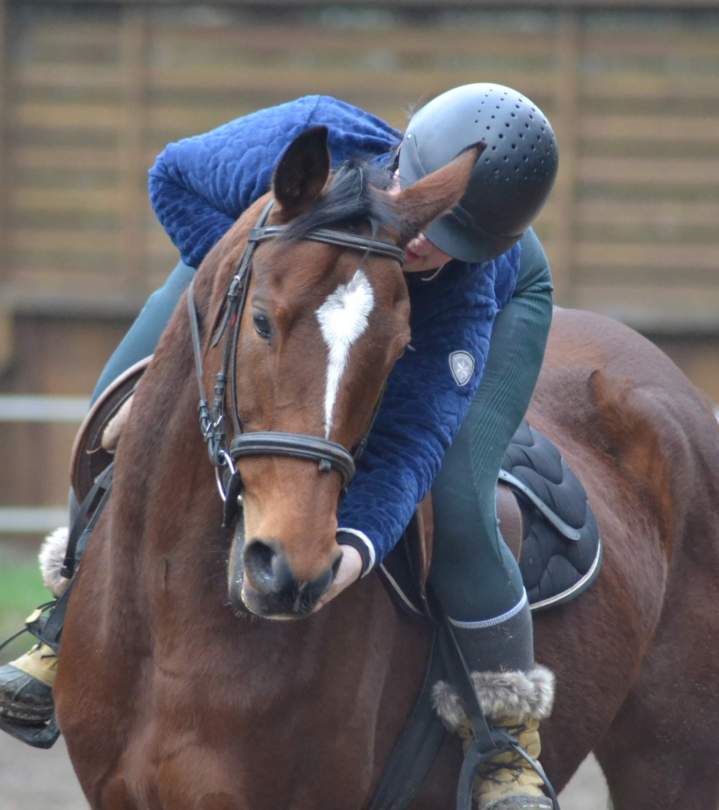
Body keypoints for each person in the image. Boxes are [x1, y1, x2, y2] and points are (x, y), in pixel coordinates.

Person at [0, 84, 558, 810]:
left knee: (455, 500)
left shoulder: (464, 281)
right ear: (399, 167)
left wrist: (354, 549)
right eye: (429, 231)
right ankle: (62, 619)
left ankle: (507, 742)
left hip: (483, 307)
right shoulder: (301, 133)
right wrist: (260, 289)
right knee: (117, 415)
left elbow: (413, 438)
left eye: (449, 241)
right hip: (267, 254)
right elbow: (170, 176)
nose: (428, 249)